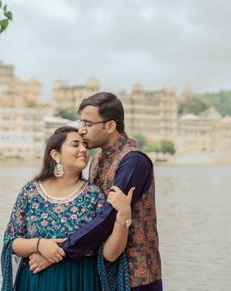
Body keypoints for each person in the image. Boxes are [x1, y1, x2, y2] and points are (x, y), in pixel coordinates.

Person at [27, 92, 163, 291]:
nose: (81, 130)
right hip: (101, 270)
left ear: (110, 126)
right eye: (81, 122)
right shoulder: (98, 159)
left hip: (136, 275)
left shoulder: (133, 161)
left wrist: (57, 253)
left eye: (88, 124)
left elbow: (108, 216)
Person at [1, 125, 133, 291]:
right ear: (55, 154)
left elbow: (109, 254)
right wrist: (39, 245)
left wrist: (123, 216)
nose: (83, 149)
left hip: (81, 281)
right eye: (75, 144)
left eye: (85, 145)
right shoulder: (30, 192)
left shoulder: (94, 195)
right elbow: (11, 242)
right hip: (35, 283)